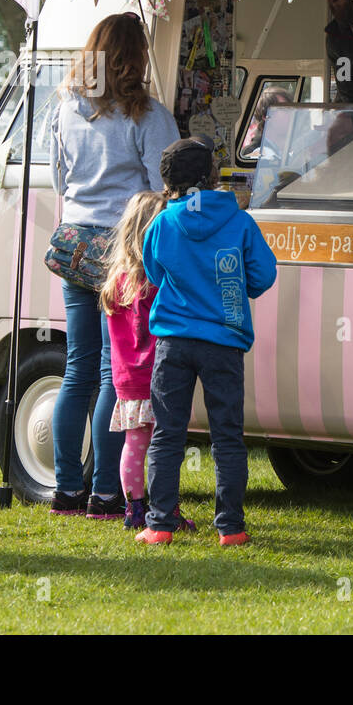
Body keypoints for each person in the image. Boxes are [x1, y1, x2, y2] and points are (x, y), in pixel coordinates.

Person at [47, 12, 180, 518]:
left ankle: (66, 489)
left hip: (73, 240)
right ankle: (105, 492)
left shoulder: (65, 109)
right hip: (122, 247)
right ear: (136, 57)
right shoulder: (145, 116)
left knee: (76, 366)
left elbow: (60, 180)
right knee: (112, 369)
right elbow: (162, 185)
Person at [137, 137, 277, 546]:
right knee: (227, 436)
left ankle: (159, 524)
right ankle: (230, 528)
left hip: (174, 341)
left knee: (167, 433)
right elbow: (264, 277)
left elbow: (155, 272)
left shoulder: (162, 223)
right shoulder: (240, 222)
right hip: (224, 340)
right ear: (212, 177)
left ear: (169, 183)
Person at [98, 190, 194, 532]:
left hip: (126, 379)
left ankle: (134, 510)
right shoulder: (155, 281)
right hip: (156, 375)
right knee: (165, 448)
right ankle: (166, 509)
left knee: (134, 446)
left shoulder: (116, 281)